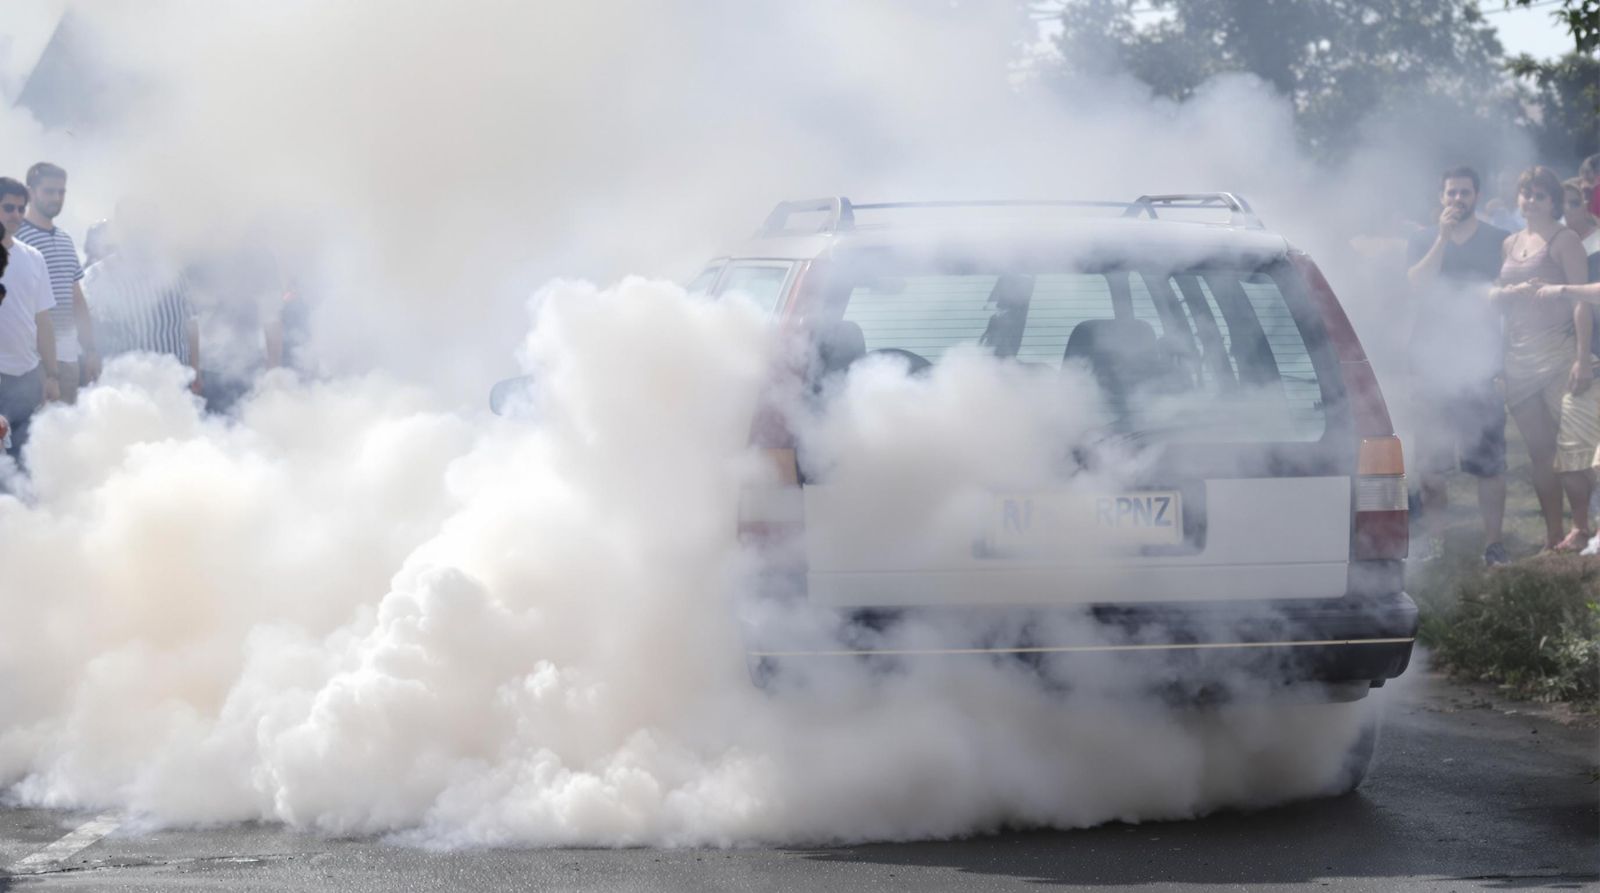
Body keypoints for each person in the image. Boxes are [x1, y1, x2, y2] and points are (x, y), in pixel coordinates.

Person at [1404, 166, 1512, 565]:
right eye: (1451, 193)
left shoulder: (1499, 240)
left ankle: (1493, 545)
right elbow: (1416, 283)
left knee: (1489, 463)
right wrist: (1441, 239)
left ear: (1477, 196)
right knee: (1431, 468)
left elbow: (1506, 295)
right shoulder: (1421, 239)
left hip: (1480, 363)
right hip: (1431, 363)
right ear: (1441, 197)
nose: (1458, 200)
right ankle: (1437, 544)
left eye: (1465, 193)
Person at [1490, 165, 1594, 552]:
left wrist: (1582, 359)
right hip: (1518, 358)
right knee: (1539, 453)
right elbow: (1502, 302)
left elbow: (1582, 299)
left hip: (1559, 354)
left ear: (1552, 202)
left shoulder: (1565, 240)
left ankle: (1581, 527)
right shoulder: (1509, 243)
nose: (1530, 201)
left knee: (1571, 449)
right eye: (1525, 194)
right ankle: (1552, 535)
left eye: (1539, 195)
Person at [81, 201, 202, 394]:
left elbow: (190, 323)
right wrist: (91, 356)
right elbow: (89, 327)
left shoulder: (175, 271)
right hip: (125, 385)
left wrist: (195, 369)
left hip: (175, 381)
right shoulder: (98, 275)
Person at [17, 162, 99, 404]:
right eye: (49, 191)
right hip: (32, 361)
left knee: (63, 434)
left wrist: (91, 349)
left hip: (68, 356)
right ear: (31, 192)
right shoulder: (16, 236)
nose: (56, 198)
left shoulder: (64, 239)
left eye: (61, 192)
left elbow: (76, 299)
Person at [0, 178, 61, 461]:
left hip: (26, 379)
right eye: (8, 208)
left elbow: (43, 321)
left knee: (23, 465)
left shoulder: (33, 258)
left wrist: (51, 375)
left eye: (21, 209)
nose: (16, 215)